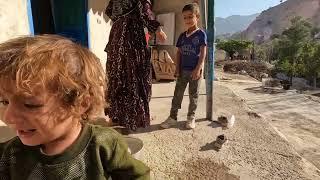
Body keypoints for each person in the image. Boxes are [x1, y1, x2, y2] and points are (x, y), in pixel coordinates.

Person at [0, 35, 150, 179]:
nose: (8, 117)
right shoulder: (11, 154)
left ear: (80, 104)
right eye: (4, 102)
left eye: (30, 104)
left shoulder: (104, 145)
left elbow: (136, 176)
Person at [105, 0, 167, 131]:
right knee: (135, 75)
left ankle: (114, 117)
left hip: (116, 36)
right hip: (132, 36)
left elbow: (109, 11)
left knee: (117, 75)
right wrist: (158, 29)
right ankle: (136, 118)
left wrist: (120, 20)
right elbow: (145, 11)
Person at [160, 3, 207, 129]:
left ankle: (191, 118)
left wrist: (198, 69)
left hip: (195, 71)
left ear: (197, 17)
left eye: (190, 17)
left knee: (193, 96)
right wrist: (177, 68)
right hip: (183, 71)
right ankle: (172, 118)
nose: (187, 20)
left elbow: (203, 53)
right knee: (177, 95)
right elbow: (179, 53)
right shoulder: (182, 36)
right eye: (185, 17)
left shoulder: (201, 34)